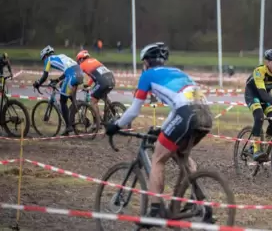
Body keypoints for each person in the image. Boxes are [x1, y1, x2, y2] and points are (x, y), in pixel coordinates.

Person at [104, 42, 213, 222]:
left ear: (146, 62)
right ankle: (198, 202)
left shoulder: (147, 76)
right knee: (182, 155)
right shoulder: (178, 72)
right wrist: (163, 129)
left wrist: (116, 125)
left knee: (158, 158)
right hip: (205, 114)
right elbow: (178, 105)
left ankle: (155, 210)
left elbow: (134, 110)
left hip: (186, 114)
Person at [33, 46, 84, 136]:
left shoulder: (48, 60)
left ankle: (68, 126)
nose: (44, 60)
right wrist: (57, 80)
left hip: (72, 76)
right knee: (68, 93)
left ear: (45, 56)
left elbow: (45, 76)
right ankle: (77, 110)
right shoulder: (62, 56)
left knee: (62, 101)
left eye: (43, 58)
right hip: (79, 73)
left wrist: (38, 83)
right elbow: (67, 69)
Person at [76, 50, 116, 131]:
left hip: (103, 82)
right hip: (111, 79)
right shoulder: (94, 60)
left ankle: (97, 123)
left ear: (80, 59)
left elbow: (78, 77)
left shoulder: (82, 65)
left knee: (92, 100)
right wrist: (88, 84)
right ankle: (113, 112)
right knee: (103, 95)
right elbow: (95, 75)